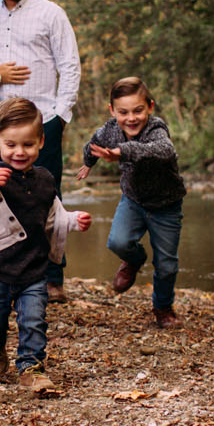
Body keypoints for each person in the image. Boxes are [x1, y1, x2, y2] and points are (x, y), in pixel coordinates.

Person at [0, 97, 92, 395]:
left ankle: (31, 367)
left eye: (28, 145)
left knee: (33, 319)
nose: (19, 152)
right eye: (11, 145)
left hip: (33, 268)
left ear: (41, 142)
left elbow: (52, 215)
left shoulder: (44, 179)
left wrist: (73, 220)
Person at [0, 0, 80, 302]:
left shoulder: (51, 13)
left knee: (47, 197)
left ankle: (52, 277)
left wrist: (60, 116)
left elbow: (69, 65)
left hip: (42, 121)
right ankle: (0, 277)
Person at [75, 76, 186, 328]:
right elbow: (93, 143)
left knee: (166, 264)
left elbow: (164, 150)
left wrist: (123, 151)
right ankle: (134, 260)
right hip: (133, 200)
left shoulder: (156, 128)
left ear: (150, 106)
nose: (131, 118)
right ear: (112, 110)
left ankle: (163, 307)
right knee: (118, 241)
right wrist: (89, 163)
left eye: (138, 110)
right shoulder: (110, 129)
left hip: (166, 204)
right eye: (123, 112)